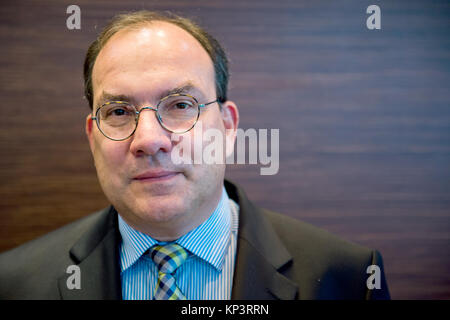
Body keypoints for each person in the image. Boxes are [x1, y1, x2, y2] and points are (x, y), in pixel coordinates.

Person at [0, 10, 390, 300]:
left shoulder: (349, 279)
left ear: (228, 126)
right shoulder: (15, 283)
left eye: (180, 105)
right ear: (92, 137)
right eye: (119, 112)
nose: (149, 140)